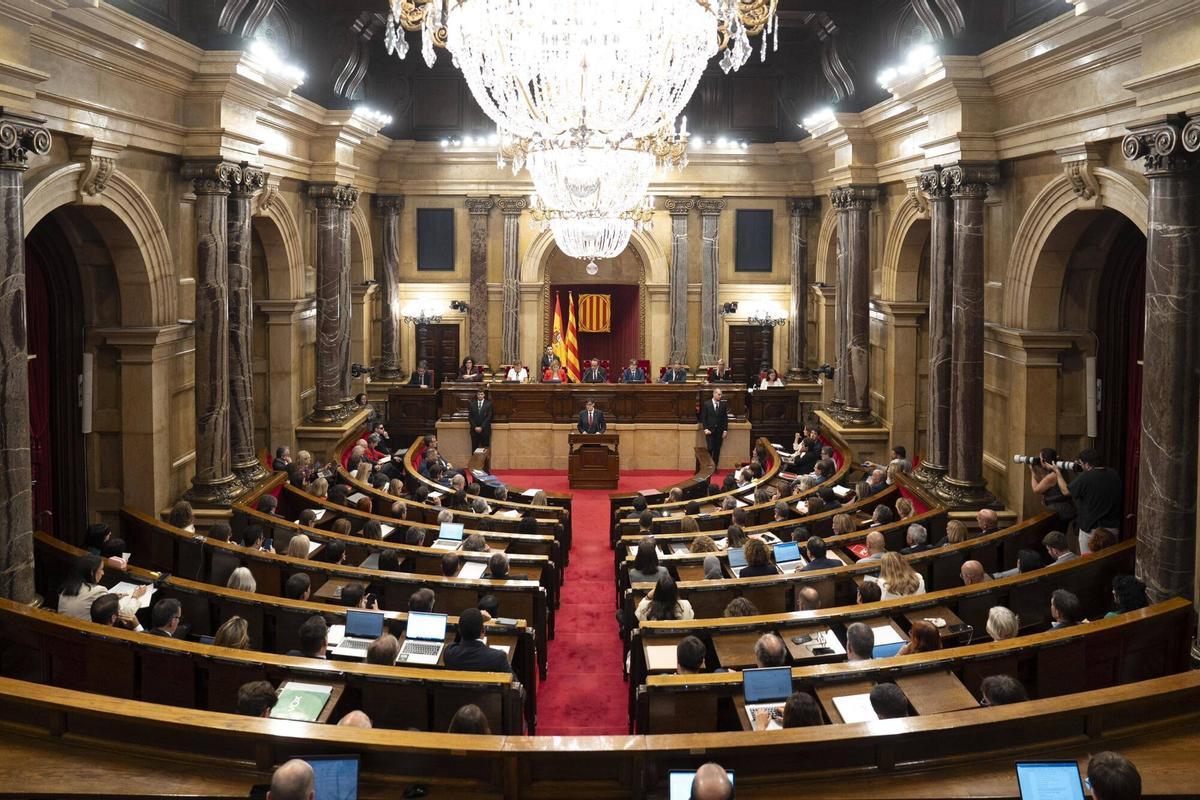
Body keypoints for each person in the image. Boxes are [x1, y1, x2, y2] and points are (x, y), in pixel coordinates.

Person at [1049, 449, 1122, 554]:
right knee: (1109, 560)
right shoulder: (1114, 474)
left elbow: (1065, 491)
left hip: (1091, 531)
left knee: (1088, 562)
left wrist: (1057, 472)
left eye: (1081, 464)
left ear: (1087, 465)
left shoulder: (1086, 477)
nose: (1081, 466)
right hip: (1112, 529)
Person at [58, 553, 147, 621]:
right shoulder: (98, 591)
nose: (103, 573)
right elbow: (124, 614)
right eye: (101, 569)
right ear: (92, 573)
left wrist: (114, 596)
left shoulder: (66, 589)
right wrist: (136, 596)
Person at [443, 608, 515, 676]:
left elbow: (457, 641)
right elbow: (514, 684)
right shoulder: (498, 657)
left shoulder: (449, 653)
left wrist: (474, 619)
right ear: (483, 631)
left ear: (459, 630)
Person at [699, 389, 729, 465]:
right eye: (719, 394)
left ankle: (715, 467)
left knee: (717, 450)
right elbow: (704, 418)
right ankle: (709, 466)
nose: (720, 396)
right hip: (709, 431)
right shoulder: (707, 404)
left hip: (719, 431)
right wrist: (705, 429)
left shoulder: (723, 405)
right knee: (710, 448)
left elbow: (725, 418)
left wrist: (725, 430)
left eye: (721, 394)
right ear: (714, 394)